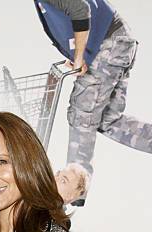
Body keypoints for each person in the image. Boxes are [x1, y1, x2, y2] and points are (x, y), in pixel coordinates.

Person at [34, 0, 152, 204]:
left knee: (83, 117)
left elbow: (81, 9)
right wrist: (74, 54)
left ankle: (70, 196)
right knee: (107, 121)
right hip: (117, 41)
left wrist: (80, 56)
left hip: (108, 45)